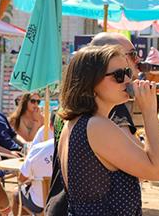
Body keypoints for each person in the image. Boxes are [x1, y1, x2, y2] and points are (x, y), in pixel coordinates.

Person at [57, 45, 159, 215]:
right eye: (118, 75)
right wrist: (149, 112)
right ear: (91, 81)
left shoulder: (75, 123)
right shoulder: (97, 126)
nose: (127, 81)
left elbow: (143, 169)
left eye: (128, 73)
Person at [47, 32, 144, 215]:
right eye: (130, 54)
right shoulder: (111, 107)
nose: (135, 60)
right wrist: (148, 112)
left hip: (60, 204)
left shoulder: (70, 111)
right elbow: (150, 167)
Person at [13, 112, 56, 215]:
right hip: (67, 202)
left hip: (40, 202)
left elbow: (21, 178)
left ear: (50, 126)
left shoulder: (38, 149)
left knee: (16, 194)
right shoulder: (80, 148)